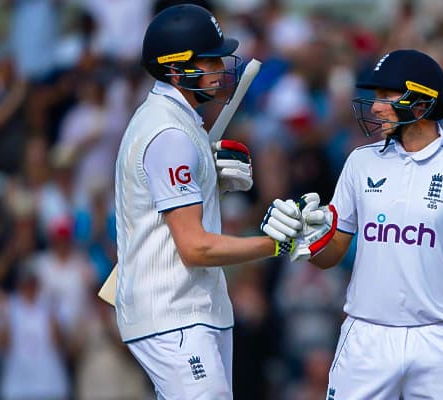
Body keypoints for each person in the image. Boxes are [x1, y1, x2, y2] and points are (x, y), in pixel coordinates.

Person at [269, 49, 443, 399]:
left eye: (385, 97)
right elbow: (333, 250)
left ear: (422, 104)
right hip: (366, 336)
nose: (375, 106)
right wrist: (303, 241)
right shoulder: (359, 161)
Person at [114, 5, 311, 399]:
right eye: (210, 60)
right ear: (177, 68)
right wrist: (280, 243)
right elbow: (196, 246)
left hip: (193, 310)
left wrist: (209, 182)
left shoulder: (177, 121)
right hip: (173, 313)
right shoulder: (169, 133)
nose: (221, 67)